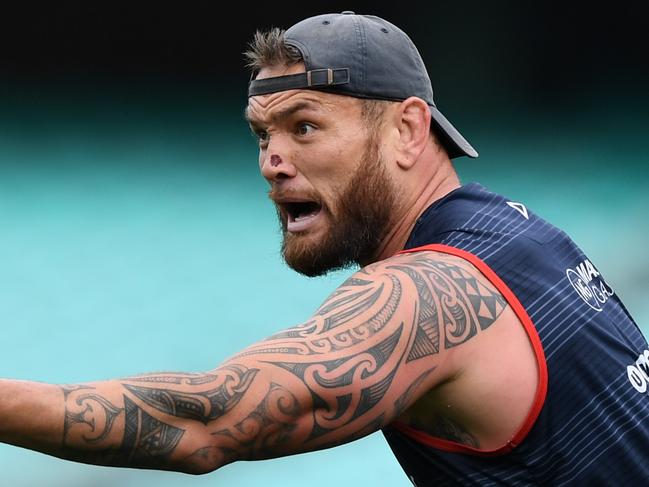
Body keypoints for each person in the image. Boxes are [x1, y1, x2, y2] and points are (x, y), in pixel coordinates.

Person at [1, 11, 648, 486]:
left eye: (305, 126)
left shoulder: (428, 291)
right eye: (262, 136)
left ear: (407, 128)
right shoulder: (517, 233)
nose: (271, 162)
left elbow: (206, 423)